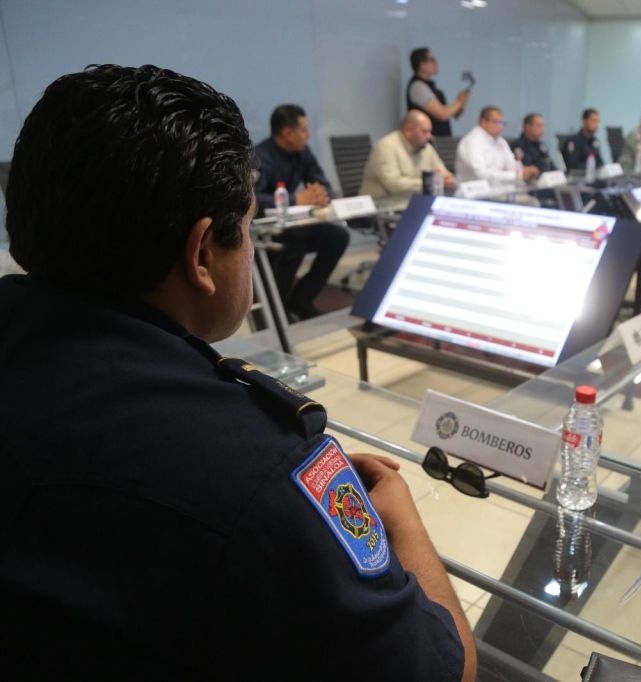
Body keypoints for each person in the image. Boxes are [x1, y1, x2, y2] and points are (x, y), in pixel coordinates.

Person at [0, 64, 475, 680]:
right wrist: (401, 519)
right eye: (248, 227)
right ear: (202, 253)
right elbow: (444, 671)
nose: (249, 247)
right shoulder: (263, 476)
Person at [253, 104, 348, 320]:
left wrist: (321, 195)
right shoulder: (260, 157)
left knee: (337, 236)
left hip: (292, 226)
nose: (308, 135)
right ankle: (277, 311)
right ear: (287, 133)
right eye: (304, 130)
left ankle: (302, 300)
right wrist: (296, 200)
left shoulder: (302, 152)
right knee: (295, 241)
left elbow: (322, 183)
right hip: (264, 231)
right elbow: (252, 200)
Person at [360, 110, 454, 204]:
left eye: (430, 132)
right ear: (409, 129)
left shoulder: (427, 148)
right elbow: (393, 184)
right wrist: (430, 183)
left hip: (415, 204)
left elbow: (444, 173)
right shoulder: (386, 147)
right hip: (384, 207)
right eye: (424, 131)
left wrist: (449, 179)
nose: (429, 136)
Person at [455, 106, 538, 186]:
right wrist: (515, 176)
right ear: (483, 122)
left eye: (502, 123)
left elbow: (511, 165)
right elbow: (480, 173)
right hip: (476, 192)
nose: (501, 126)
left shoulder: (501, 141)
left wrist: (524, 171)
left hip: (500, 189)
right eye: (497, 122)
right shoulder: (472, 141)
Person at [406, 47, 469, 138]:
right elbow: (442, 114)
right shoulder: (417, 87)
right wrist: (459, 102)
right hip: (427, 142)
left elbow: (454, 115)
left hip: (440, 140)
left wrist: (461, 103)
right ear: (422, 65)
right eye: (432, 59)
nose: (436, 62)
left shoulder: (432, 88)